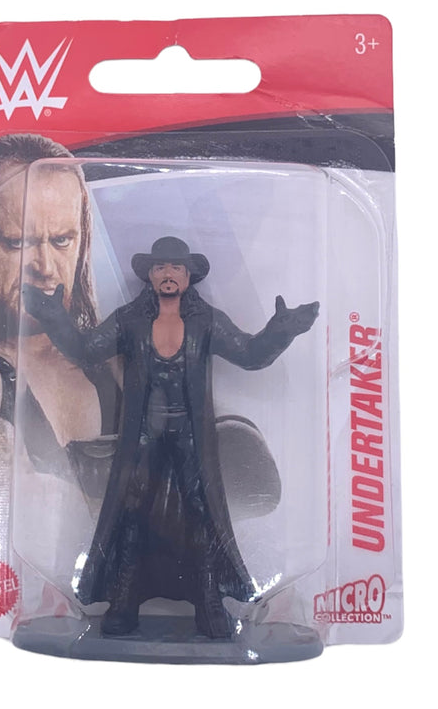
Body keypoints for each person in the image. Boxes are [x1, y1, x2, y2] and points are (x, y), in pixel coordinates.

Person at [23, 235, 319, 639]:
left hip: (192, 435)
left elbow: (250, 354)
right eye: (160, 267)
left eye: (176, 267)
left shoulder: (206, 320)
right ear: (149, 274)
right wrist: (54, 317)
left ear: (188, 275)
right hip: (142, 434)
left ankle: (208, 602)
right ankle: (124, 600)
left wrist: (280, 331)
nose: (168, 274)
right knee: (131, 511)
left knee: (202, 513)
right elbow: (86, 349)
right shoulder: (130, 320)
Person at [0, 135, 118, 599]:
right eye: (17, 242)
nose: (45, 266)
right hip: (9, 600)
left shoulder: (116, 362)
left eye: (62, 240)